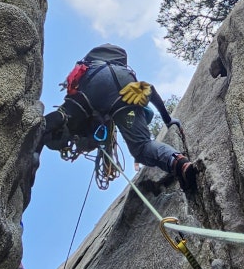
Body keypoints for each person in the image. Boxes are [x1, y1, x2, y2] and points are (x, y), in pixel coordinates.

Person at [42, 43, 198, 194]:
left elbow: (87, 124)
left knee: (65, 114)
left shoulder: (89, 67)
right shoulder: (121, 74)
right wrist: (168, 120)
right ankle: (180, 164)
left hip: (93, 80)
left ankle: (40, 128)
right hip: (126, 80)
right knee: (143, 145)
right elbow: (148, 95)